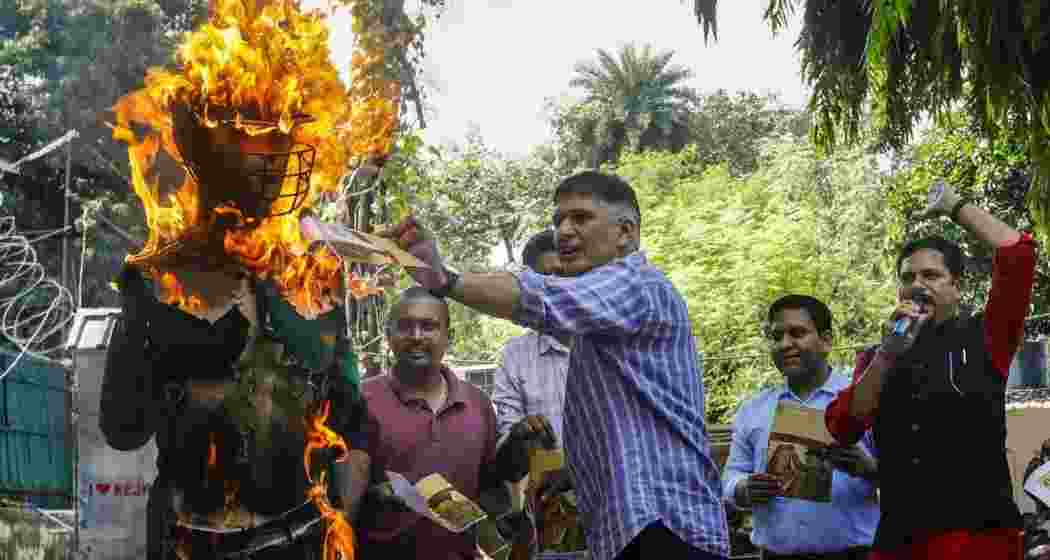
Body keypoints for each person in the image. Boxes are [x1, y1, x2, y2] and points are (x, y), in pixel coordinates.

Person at [383, 171, 731, 560]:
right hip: (640, 529)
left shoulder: (634, 284)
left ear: (626, 233)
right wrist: (577, 471)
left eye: (581, 218)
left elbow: (537, 297)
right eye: (559, 220)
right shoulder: (602, 317)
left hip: (664, 527)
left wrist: (445, 279)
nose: (564, 230)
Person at [101, 102, 371, 559]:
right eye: (254, 135)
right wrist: (192, 389)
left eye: (281, 136)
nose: (272, 153)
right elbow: (122, 427)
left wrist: (343, 518)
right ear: (209, 158)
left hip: (303, 542)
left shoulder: (317, 278)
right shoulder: (160, 283)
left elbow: (351, 423)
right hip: (190, 543)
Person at [824, 180, 1037, 559]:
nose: (916, 285)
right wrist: (888, 354)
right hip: (900, 542)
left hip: (979, 542)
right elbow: (843, 425)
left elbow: (1017, 252)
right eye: (907, 279)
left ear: (956, 287)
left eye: (930, 276)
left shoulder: (985, 337)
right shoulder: (878, 355)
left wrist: (954, 206)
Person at [354, 287, 552, 559]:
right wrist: (373, 497)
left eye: (428, 327)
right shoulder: (361, 401)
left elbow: (491, 494)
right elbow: (334, 501)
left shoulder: (478, 405)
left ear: (450, 336)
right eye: (404, 327)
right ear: (388, 336)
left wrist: (517, 449)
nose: (415, 337)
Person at [723, 295, 879, 560]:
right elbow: (732, 474)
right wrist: (743, 488)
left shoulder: (861, 401)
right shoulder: (754, 409)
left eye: (797, 333)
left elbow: (906, 476)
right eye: (776, 336)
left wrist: (869, 468)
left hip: (855, 554)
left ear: (826, 340)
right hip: (774, 555)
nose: (785, 344)